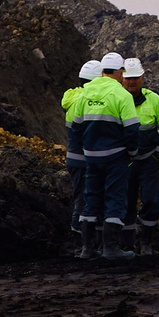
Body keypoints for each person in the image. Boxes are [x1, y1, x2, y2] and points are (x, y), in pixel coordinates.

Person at [68, 50, 142, 260]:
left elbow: (76, 128)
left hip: (91, 158)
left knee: (90, 199)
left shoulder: (86, 94)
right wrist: (132, 152)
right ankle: (111, 248)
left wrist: (87, 149)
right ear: (120, 72)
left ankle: (87, 249)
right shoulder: (122, 95)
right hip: (115, 157)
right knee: (115, 198)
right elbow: (132, 129)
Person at [123, 57, 159, 252]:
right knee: (126, 201)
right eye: (128, 78)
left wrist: (158, 154)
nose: (132, 81)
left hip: (147, 162)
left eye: (135, 77)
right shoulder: (117, 99)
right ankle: (127, 243)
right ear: (121, 79)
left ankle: (146, 240)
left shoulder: (154, 99)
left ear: (142, 78)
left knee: (152, 200)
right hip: (124, 162)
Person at [62, 59, 101, 257]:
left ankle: (80, 245)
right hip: (87, 159)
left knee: (80, 199)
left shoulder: (73, 98)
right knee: (87, 201)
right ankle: (86, 245)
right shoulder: (89, 100)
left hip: (73, 159)